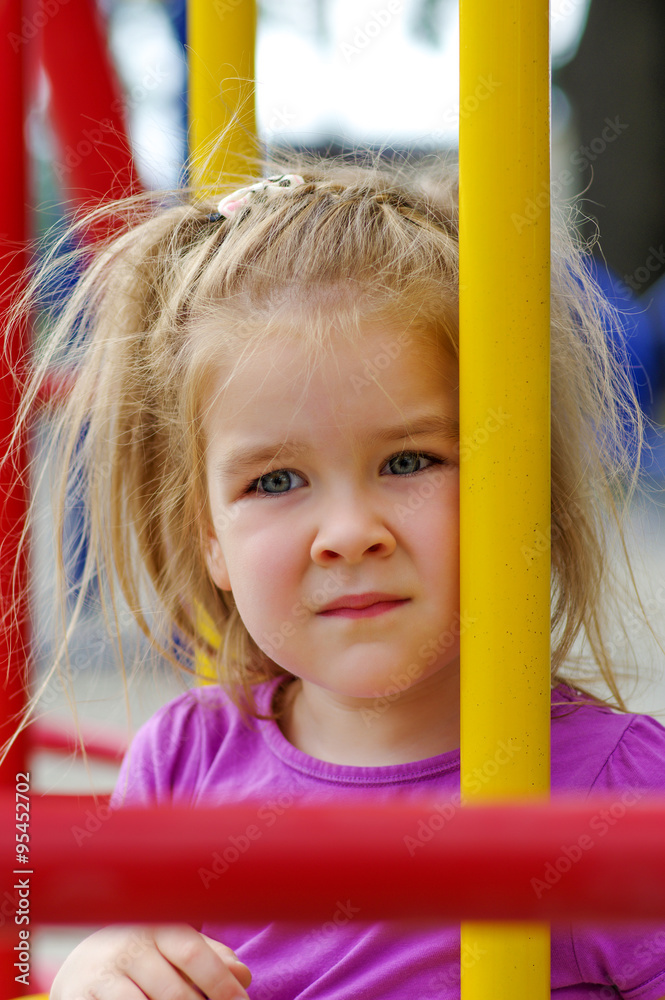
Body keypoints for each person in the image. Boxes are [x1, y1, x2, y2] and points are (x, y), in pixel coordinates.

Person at [14, 155, 665, 999]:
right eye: (275, 481)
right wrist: (100, 970)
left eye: (408, 459)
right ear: (209, 536)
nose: (349, 534)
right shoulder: (184, 764)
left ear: (518, 480)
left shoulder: (612, 790)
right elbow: (135, 958)